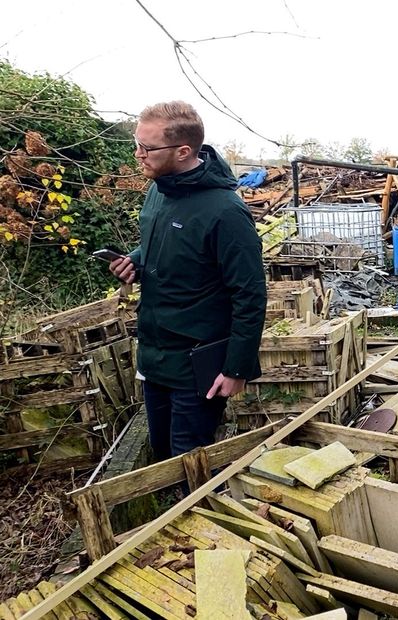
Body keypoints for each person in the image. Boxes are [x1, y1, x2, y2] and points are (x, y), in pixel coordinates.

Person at [110, 101, 266, 461]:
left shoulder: (226, 212)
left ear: (183, 151)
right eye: (137, 144)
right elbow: (171, 243)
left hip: (199, 365)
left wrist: (237, 367)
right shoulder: (158, 192)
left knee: (189, 458)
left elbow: (250, 294)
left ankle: (199, 514)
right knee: (162, 450)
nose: (138, 155)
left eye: (146, 148)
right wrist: (134, 261)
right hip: (154, 355)